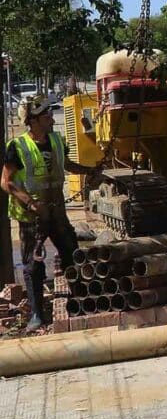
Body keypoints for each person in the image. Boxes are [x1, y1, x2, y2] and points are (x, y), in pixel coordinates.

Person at [2, 95, 98, 331]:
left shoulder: (56, 140)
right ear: (33, 120)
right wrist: (30, 203)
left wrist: (91, 171)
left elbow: (66, 164)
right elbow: (6, 182)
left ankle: (80, 301)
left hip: (56, 213)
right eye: (45, 114)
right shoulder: (17, 146)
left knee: (72, 255)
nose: (49, 117)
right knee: (33, 266)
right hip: (30, 218)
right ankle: (37, 314)